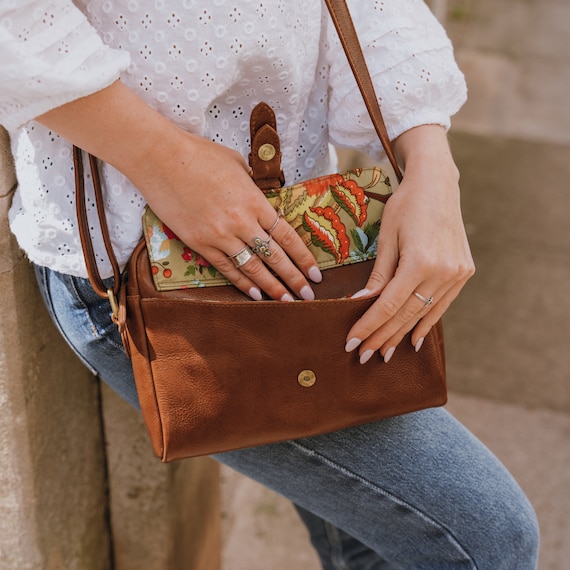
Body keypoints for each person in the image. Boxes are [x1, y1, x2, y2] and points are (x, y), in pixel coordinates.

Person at [0, 1, 539, 568]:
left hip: (303, 224)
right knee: (485, 537)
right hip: (147, 273)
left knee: (372, 540)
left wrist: (431, 162)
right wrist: (162, 158)